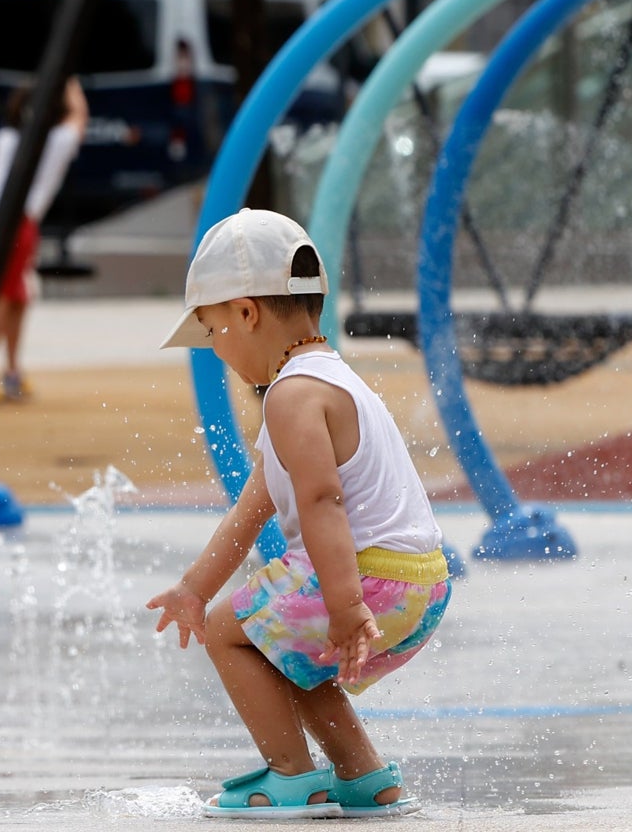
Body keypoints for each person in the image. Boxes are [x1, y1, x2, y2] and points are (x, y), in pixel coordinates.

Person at [147, 208, 451, 819]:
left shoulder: (290, 395)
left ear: (246, 313)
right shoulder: (332, 382)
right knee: (284, 650)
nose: (217, 353)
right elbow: (254, 508)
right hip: (420, 583)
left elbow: (320, 501)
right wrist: (192, 588)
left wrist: (343, 603)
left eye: (212, 334)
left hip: (363, 582)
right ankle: (365, 778)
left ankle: (290, 776)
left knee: (232, 634)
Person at [0, 76, 88, 400]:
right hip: (13, 220)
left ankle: (11, 372)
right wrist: (71, 83)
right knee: (3, 298)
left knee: (17, 295)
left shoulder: (6, 136)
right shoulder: (57, 139)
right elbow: (79, 117)